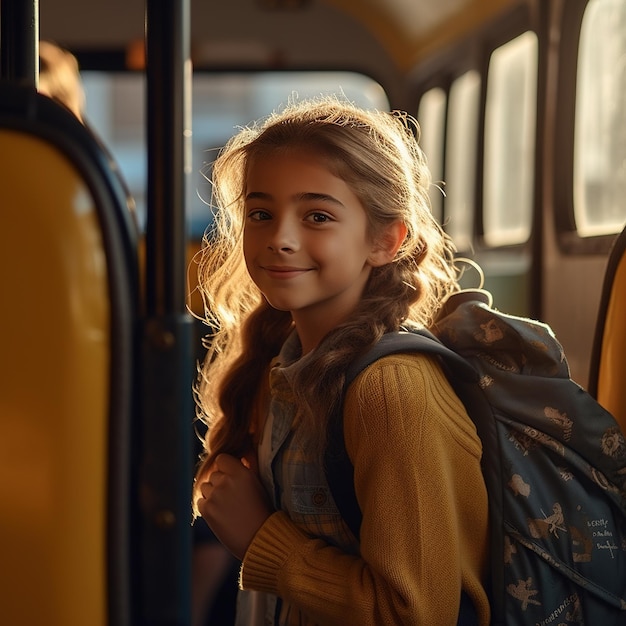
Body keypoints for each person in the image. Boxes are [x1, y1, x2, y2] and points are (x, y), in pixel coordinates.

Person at [192, 96, 490, 625]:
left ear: (385, 240)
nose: (280, 239)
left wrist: (263, 539)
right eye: (261, 214)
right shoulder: (281, 366)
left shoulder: (393, 390)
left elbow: (415, 614)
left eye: (318, 216)